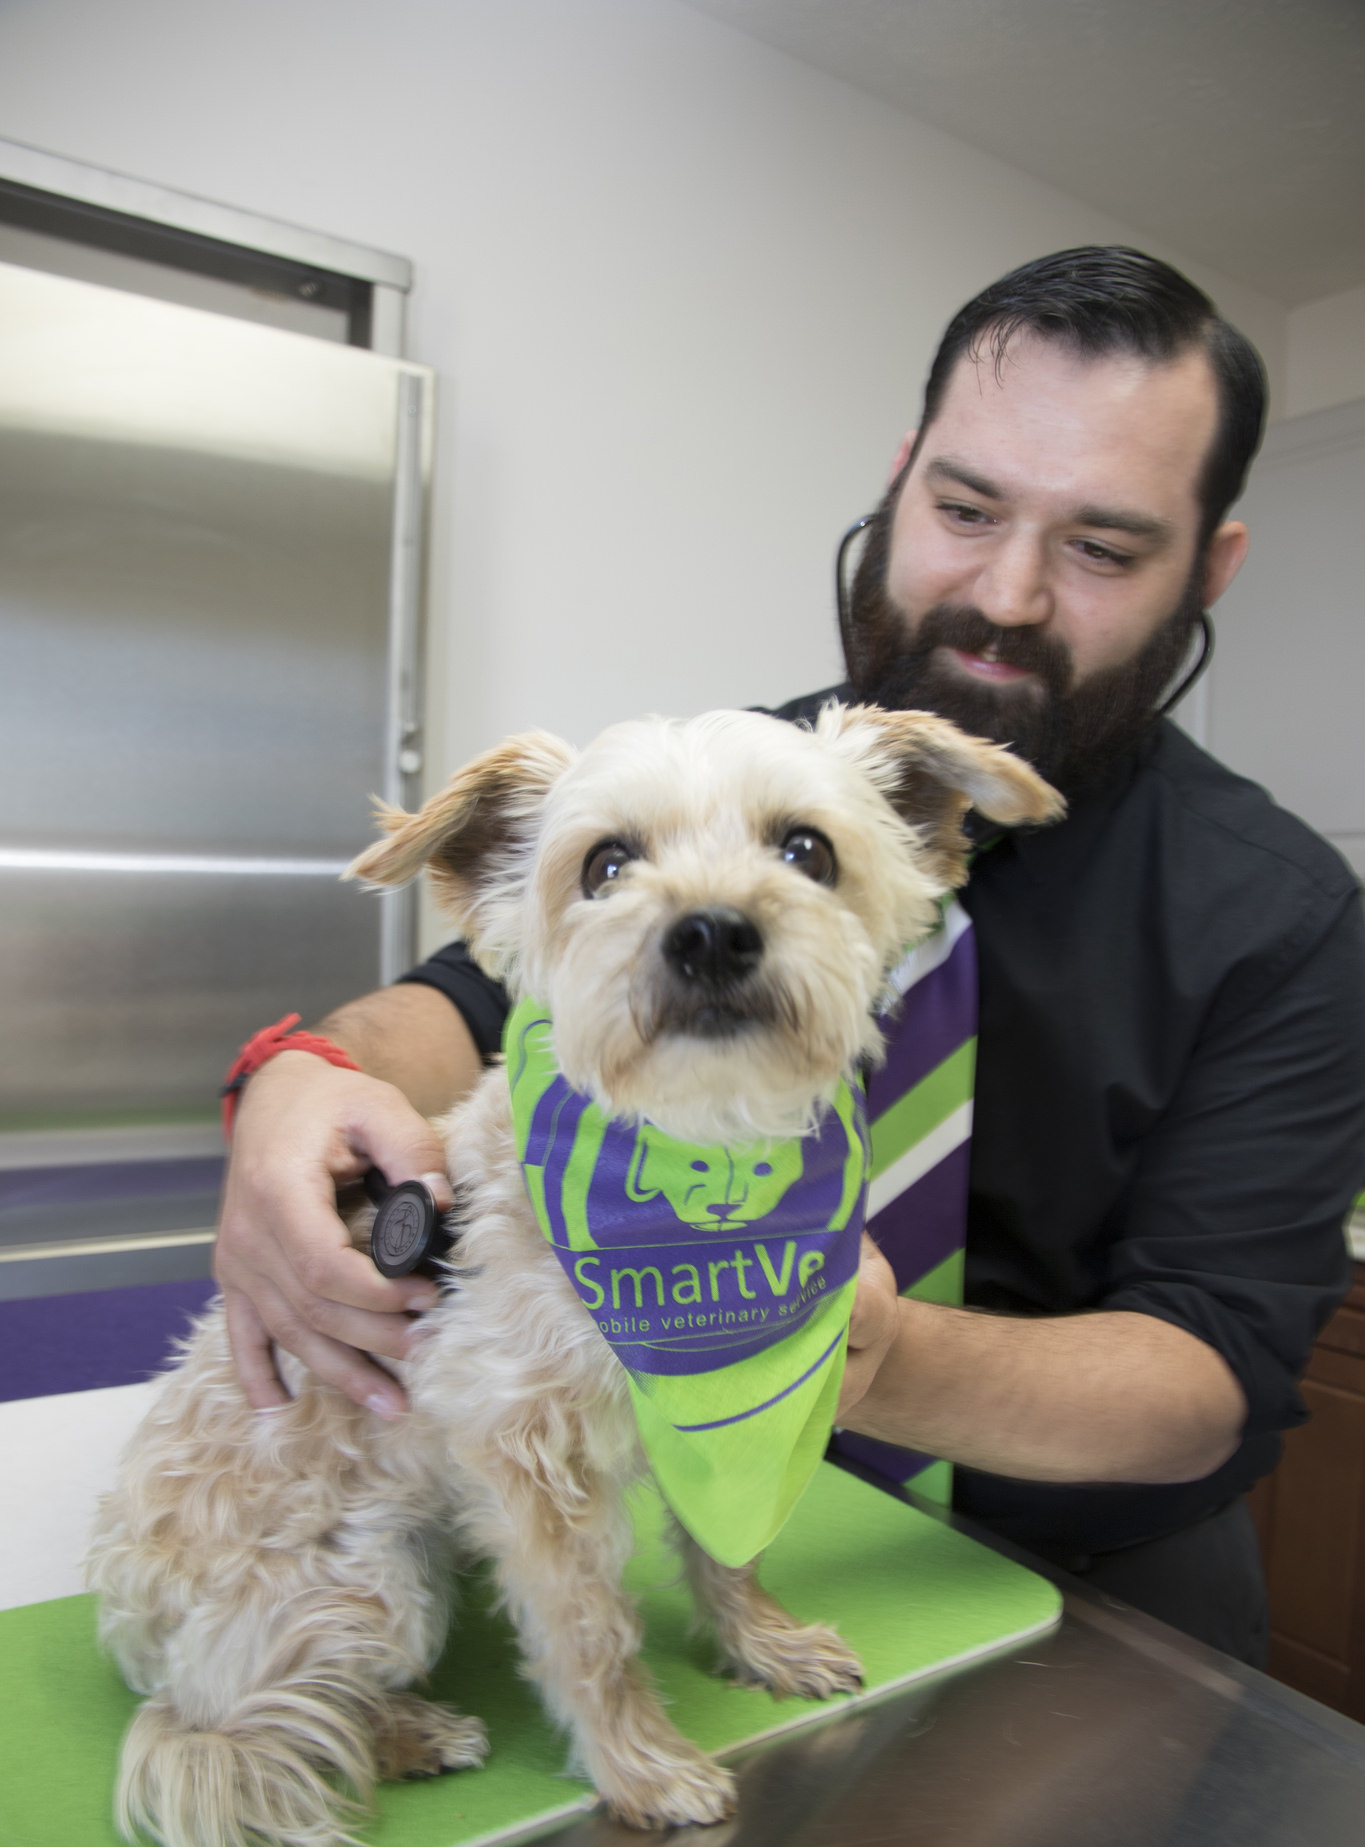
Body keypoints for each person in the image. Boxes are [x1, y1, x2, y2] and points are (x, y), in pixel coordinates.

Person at [214, 248, 1365, 1666]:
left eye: (1101, 548)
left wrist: (814, 1339)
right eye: (961, 507)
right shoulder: (717, 773)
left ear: (1210, 566)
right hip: (684, 1518)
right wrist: (297, 1079)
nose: (1003, 593)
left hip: (1085, 1571)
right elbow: (467, 1003)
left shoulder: (1286, 916)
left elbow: (1208, 1370)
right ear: (898, 482)